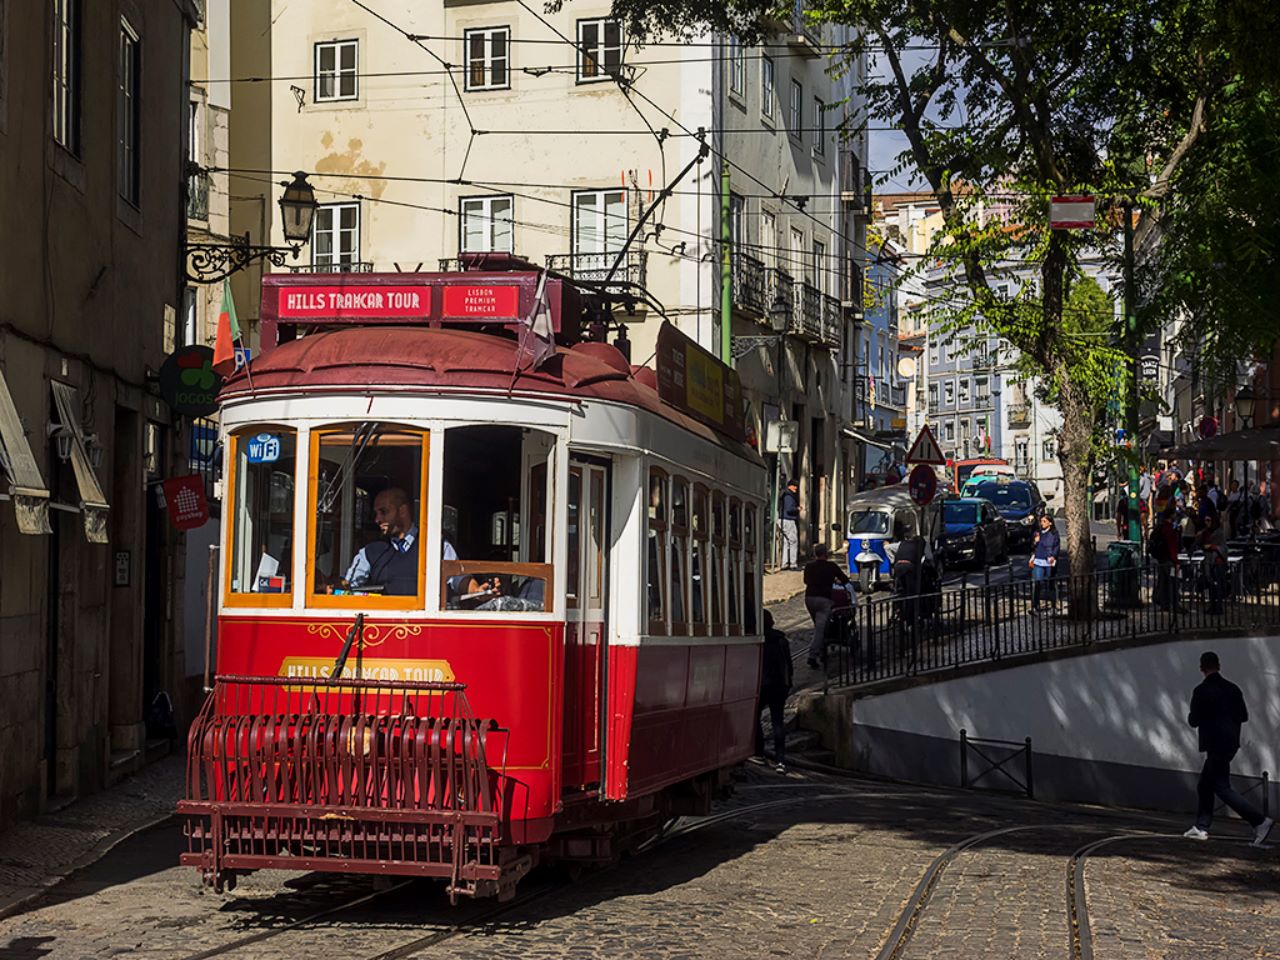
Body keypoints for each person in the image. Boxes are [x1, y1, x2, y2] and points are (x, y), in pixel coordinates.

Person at [1184, 651, 1274, 846]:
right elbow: (1243, 716)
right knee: (1205, 785)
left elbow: (1194, 720)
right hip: (1230, 743)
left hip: (1213, 744)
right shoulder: (1233, 689)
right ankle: (1201, 826)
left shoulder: (1201, 691)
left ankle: (1259, 821)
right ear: (1219, 665)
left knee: (1221, 787)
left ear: (1202, 668)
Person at [341, 487, 419, 596]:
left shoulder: (436, 547)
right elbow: (348, 590)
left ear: (403, 511)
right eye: (376, 513)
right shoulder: (370, 552)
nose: (377, 519)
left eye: (383, 511)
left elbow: (451, 583)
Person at [755, 609, 794, 772]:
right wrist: (788, 684)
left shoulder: (758, 641)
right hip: (779, 686)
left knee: (755, 719)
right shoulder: (781, 640)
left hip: (762, 685)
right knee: (777, 722)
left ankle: (759, 753)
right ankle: (780, 760)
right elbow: (789, 665)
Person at [804, 543, 849, 669]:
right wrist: (834, 580)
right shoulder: (831, 566)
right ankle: (812, 656)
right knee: (820, 630)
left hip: (809, 599)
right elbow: (845, 579)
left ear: (815, 554)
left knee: (819, 627)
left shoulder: (809, 566)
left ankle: (822, 651)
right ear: (826, 554)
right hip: (824, 600)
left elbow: (806, 581)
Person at [1148, 508, 1181, 610]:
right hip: (1169, 559)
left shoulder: (1160, 527)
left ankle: (1164, 604)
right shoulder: (1169, 529)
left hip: (1160, 559)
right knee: (1173, 582)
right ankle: (1174, 604)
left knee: (1163, 581)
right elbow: (1172, 546)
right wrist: (1176, 561)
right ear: (1171, 515)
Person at [1028, 514, 1059, 613]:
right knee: (1037, 583)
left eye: (1044, 521)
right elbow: (1033, 546)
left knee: (1051, 584)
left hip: (1049, 561)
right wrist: (1035, 542)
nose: (1042, 523)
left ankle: (1053, 606)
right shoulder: (1038, 533)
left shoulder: (1054, 534)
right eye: (1041, 521)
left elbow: (1056, 546)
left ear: (1050, 523)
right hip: (1038, 560)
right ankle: (1035, 606)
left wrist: (1053, 556)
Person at [779, 479, 800, 570]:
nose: (796, 488)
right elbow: (789, 509)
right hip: (788, 520)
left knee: (786, 542)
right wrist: (797, 509)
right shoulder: (789, 496)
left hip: (783, 520)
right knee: (793, 541)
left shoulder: (784, 495)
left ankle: (784, 563)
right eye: (795, 486)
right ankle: (793, 564)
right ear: (791, 486)